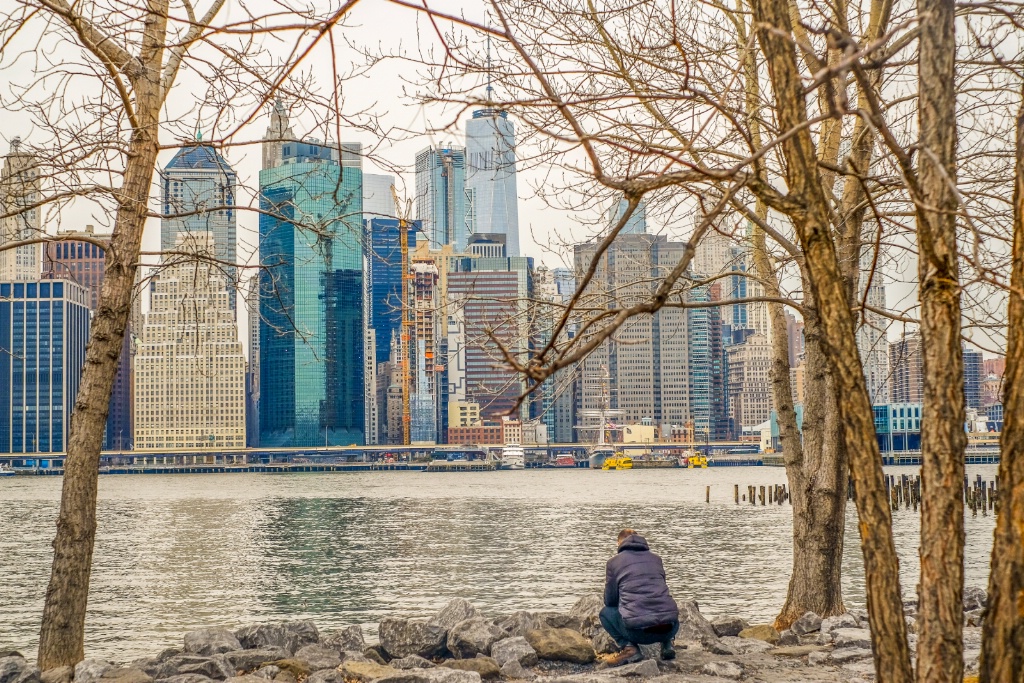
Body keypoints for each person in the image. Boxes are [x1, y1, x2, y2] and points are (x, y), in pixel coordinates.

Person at [598, 528, 680, 668]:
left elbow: (610, 601)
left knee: (605, 613)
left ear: (620, 543)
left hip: (637, 633)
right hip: (670, 628)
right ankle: (667, 645)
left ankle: (630, 648)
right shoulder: (656, 559)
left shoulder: (613, 562)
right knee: (663, 604)